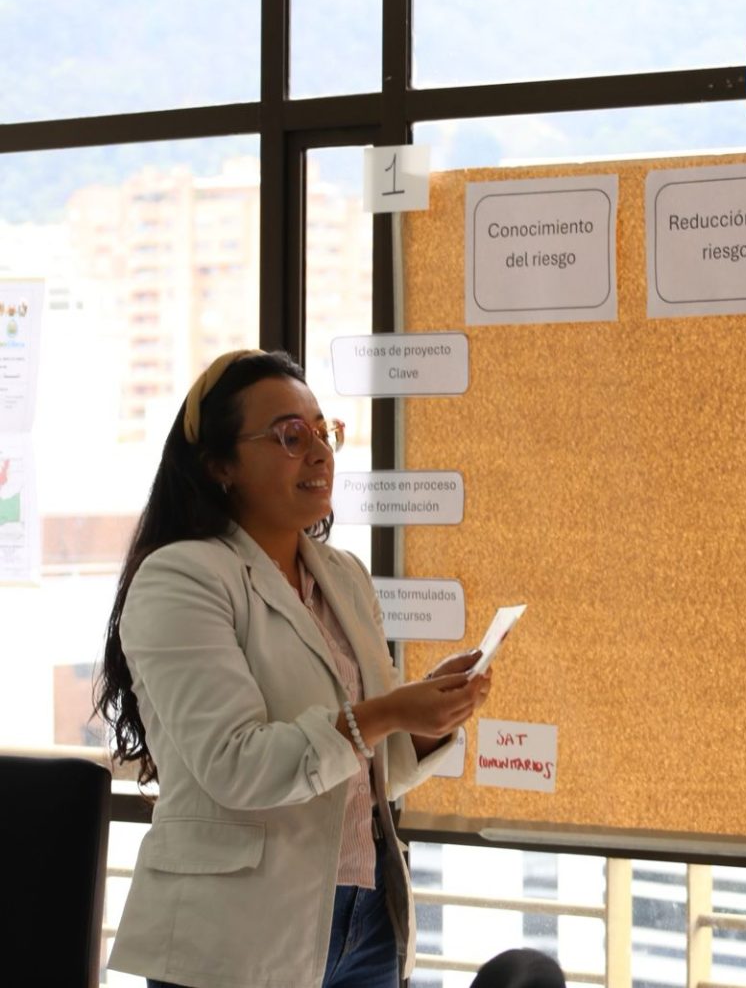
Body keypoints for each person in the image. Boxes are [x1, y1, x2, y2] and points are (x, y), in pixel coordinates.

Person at [95, 349, 495, 988]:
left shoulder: (343, 575)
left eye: (323, 431)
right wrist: (390, 710)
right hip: (237, 933)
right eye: (290, 436)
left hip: (368, 918)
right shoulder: (181, 577)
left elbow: (371, 766)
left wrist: (430, 716)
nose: (319, 452)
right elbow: (236, 765)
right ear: (220, 465)